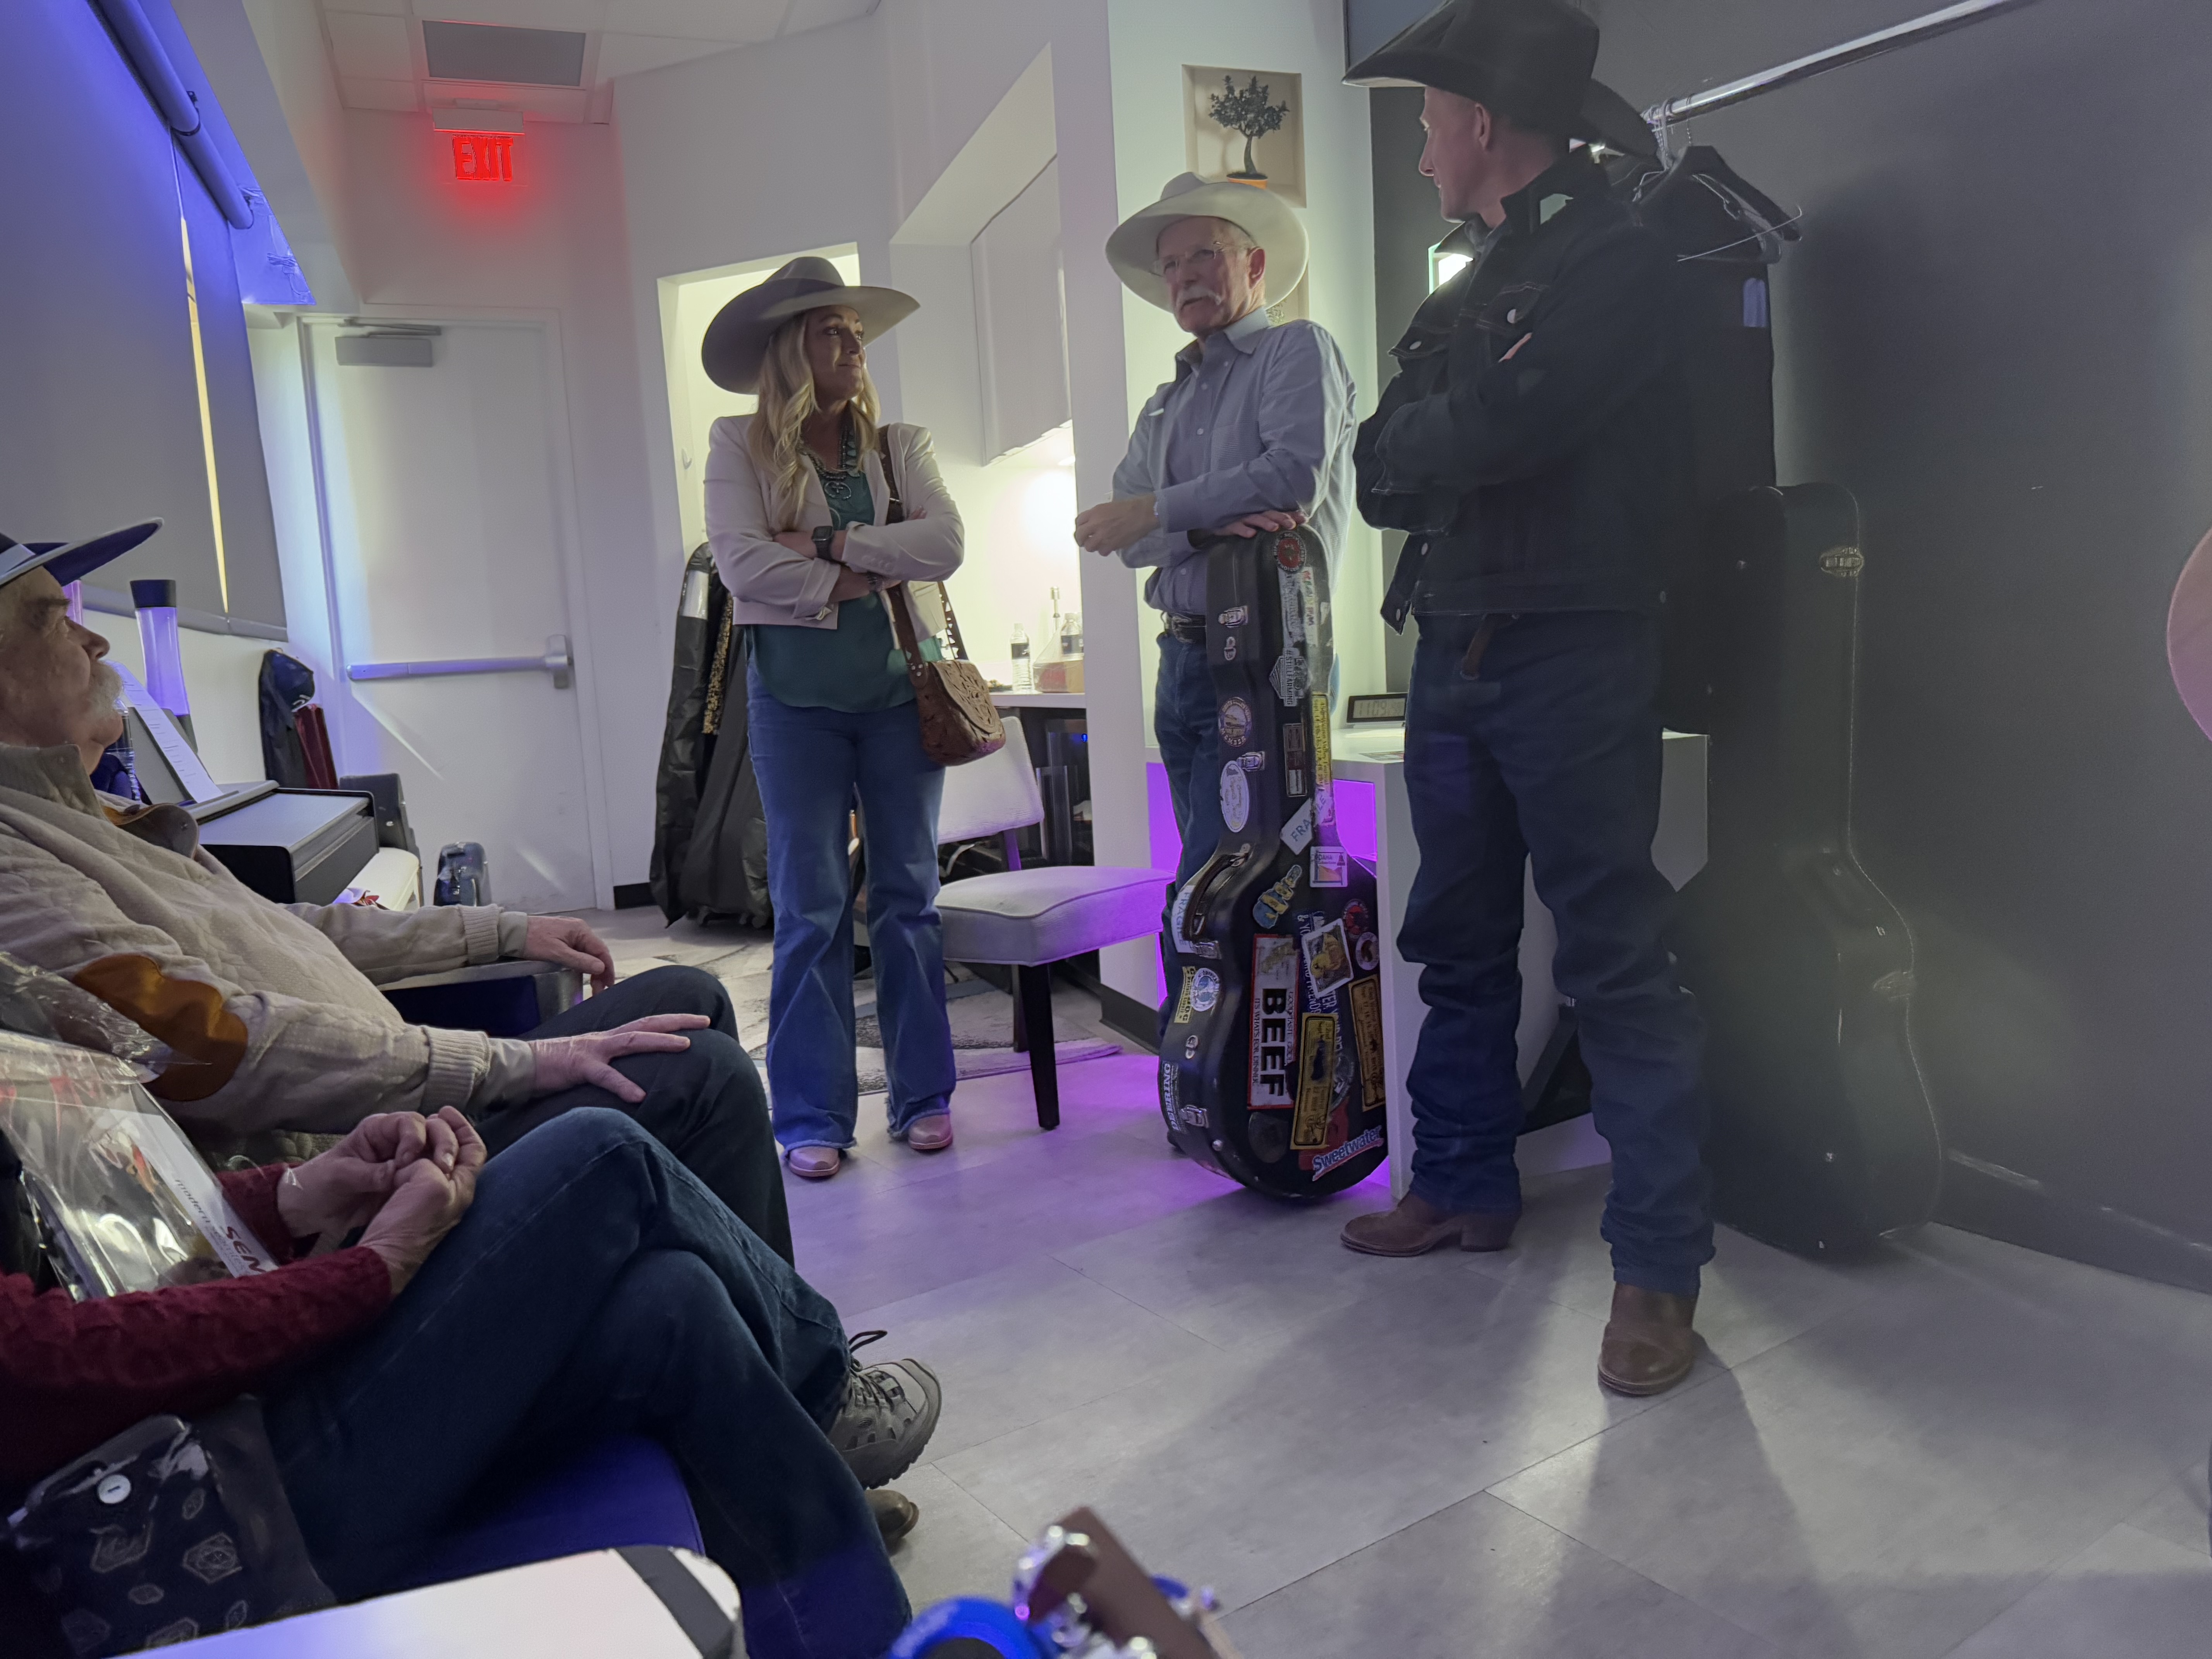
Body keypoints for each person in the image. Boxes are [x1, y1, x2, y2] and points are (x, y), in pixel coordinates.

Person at [0, 526, 794, 1261]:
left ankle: (716, 1317)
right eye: (55, 620)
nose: (95, 639)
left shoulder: (93, 808)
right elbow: (209, 1044)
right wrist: (513, 1064)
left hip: (415, 1116)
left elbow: (287, 928)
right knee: (702, 1073)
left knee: (690, 998)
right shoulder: (14, 857)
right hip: (370, 1180)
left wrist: (497, 931)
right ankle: (751, 1337)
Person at [0, 1092, 939, 1659]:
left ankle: (859, 1640)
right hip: (166, 1534)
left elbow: (87, 1253)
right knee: (602, 1154)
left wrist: (290, 1196)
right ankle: (826, 1396)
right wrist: (369, 1269)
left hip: (206, 1433)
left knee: (670, 1303)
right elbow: (38, 1367)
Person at [1340, 0, 1712, 1397]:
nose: (1423, 150)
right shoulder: (1469, 285)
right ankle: (1461, 1183)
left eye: (1430, 124)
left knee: (1616, 958)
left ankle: (1658, 1271)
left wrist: (1448, 436)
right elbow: (1379, 466)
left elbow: (1517, 423)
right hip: (1454, 648)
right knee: (1456, 936)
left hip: (1574, 649)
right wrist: (1452, 434)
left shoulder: (1622, 257)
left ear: (1482, 122)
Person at [702, 259, 963, 1180]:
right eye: (832, 332)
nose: (855, 346)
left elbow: (946, 543)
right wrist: (867, 575)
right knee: (810, 911)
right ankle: (812, 1114)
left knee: (908, 901)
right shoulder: (738, 445)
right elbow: (740, 566)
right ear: (790, 349)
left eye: (857, 331)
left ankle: (925, 1096)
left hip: (901, 698)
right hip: (794, 706)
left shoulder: (900, 445)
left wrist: (827, 546)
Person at [1073, 174, 1358, 1017]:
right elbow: (1121, 538)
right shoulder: (1166, 403)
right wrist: (1199, 525)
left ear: (1255, 264)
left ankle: (1217, 1064)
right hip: (1185, 659)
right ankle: (1207, 1067)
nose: (1185, 276)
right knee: (1209, 882)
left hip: (1269, 657)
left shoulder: (1297, 351)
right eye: (1171, 264)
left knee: (1232, 885)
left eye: (1205, 254)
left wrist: (1158, 511)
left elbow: (1291, 477)